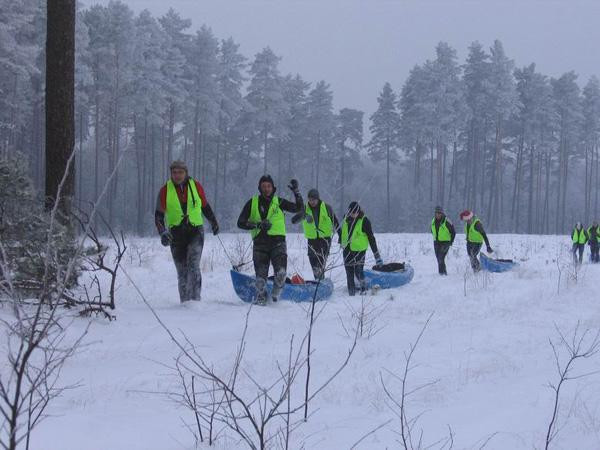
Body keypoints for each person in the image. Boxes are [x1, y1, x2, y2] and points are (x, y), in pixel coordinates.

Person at [155, 160, 219, 303]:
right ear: (171, 173)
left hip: (195, 231)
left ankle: (195, 301)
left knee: (193, 266)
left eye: (180, 172)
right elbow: (158, 215)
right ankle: (185, 303)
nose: (177, 175)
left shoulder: (196, 186)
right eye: (174, 172)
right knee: (182, 271)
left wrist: (213, 222)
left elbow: (205, 206)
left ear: (186, 173)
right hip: (175, 234)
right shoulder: (165, 190)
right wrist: (162, 232)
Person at [237, 175, 303, 305]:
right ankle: (261, 297)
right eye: (263, 186)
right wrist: (258, 224)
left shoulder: (279, 202)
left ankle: (276, 292)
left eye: (269, 186)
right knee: (260, 280)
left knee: (281, 273)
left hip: (278, 243)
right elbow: (240, 222)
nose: (266, 189)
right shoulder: (252, 202)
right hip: (260, 244)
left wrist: (296, 192)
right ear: (259, 188)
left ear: (273, 188)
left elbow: (299, 208)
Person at [340, 201, 383, 296]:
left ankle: (363, 288)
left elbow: (371, 238)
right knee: (349, 272)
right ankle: (351, 292)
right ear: (349, 212)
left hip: (360, 250)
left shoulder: (365, 221)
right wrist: (341, 242)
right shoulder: (345, 218)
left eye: (356, 213)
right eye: (352, 213)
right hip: (347, 249)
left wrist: (377, 255)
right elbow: (343, 232)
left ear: (359, 211)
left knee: (358, 271)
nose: (354, 215)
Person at [300, 189, 340, 279]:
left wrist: (341, 236)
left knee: (320, 265)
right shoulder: (304, 209)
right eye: (310, 199)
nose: (312, 202)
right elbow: (294, 219)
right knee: (314, 264)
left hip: (324, 240)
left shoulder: (327, 207)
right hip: (311, 240)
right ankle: (319, 282)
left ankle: (319, 283)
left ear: (318, 199)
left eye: (314, 199)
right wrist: (305, 216)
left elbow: (336, 222)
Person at [431, 206, 456, 275]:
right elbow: (432, 230)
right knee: (438, 258)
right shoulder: (433, 220)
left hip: (446, 242)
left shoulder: (447, 221)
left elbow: (453, 232)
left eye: (439, 213)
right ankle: (441, 273)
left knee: (441, 257)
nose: (438, 214)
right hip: (436, 242)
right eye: (436, 213)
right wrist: (435, 237)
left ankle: (443, 274)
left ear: (442, 213)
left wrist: (451, 242)